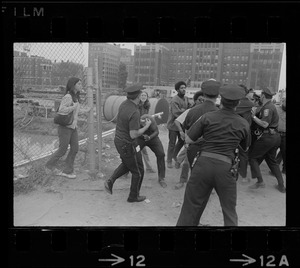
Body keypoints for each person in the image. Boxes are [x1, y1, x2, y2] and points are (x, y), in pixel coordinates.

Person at [176, 84, 251, 226]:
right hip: (226, 168)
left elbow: (188, 139)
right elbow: (245, 148)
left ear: (220, 100)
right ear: (238, 103)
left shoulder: (207, 117)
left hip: (203, 164)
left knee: (190, 207)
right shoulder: (243, 123)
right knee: (229, 212)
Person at [104, 84, 152, 202]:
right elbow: (133, 134)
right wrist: (147, 126)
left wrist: (138, 122)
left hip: (121, 141)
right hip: (128, 143)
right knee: (137, 171)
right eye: (141, 94)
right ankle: (133, 196)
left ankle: (111, 181)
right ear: (138, 96)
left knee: (132, 164)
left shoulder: (124, 104)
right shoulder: (134, 111)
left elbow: (126, 121)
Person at [175, 80, 221, 190]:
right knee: (207, 170)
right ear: (218, 95)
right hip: (210, 148)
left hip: (194, 145)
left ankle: (192, 186)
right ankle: (189, 182)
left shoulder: (192, 111)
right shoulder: (220, 113)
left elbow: (187, 128)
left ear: (204, 94)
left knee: (191, 167)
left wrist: (187, 140)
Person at [45, 77, 91, 179]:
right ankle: (49, 166)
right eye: (79, 84)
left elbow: (74, 112)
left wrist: (85, 110)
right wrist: (74, 107)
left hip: (72, 127)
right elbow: (62, 110)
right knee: (62, 150)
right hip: (65, 127)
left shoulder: (75, 96)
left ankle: (67, 171)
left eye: (81, 83)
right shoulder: (68, 96)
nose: (81, 85)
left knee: (75, 149)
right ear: (73, 85)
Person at [248, 87, 286, 193]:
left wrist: (253, 117)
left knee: (252, 158)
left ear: (263, 95)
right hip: (275, 137)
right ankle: (281, 186)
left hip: (267, 137)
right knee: (272, 161)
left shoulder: (267, 108)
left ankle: (260, 181)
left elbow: (265, 124)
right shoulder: (270, 106)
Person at [136, 114, 167, 188]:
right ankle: (125, 171)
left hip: (152, 138)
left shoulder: (151, 120)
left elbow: (156, 132)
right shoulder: (136, 122)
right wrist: (142, 136)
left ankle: (161, 178)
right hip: (140, 138)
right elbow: (134, 133)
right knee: (133, 153)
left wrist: (149, 137)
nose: (144, 126)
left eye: (145, 124)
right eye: (142, 124)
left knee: (161, 154)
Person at [166, 81, 189, 168]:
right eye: (181, 88)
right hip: (173, 125)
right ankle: (168, 160)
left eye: (184, 88)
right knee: (172, 143)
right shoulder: (174, 100)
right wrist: (184, 111)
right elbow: (176, 113)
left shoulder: (186, 98)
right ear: (177, 90)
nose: (184, 89)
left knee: (182, 140)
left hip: (182, 124)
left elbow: (190, 108)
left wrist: (184, 110)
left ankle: (174, 155)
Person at [236, 85, 255, 183]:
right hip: (245, 132)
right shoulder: (249, 103)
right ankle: (243, 176)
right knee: (244, 154)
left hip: (232, 131)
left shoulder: (233, 102)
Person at [138, 91, 155, 173]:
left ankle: (148, 168)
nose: (143, 96)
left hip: (142, 128)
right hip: (136, 128)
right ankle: (126, 170)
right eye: (142, 95)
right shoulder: (136, 105)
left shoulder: (147, 105)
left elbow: (146, 117)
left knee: (142, 149)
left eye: (145, 95)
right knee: (135, 149)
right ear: (139, 96)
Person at [275, 97, 286, 174]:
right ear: (283, 101)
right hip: (276, 134)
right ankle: (274, 168)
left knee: (284, 153)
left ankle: (284, 169)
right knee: (270, 152)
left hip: (285, 136)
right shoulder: (276, 109)